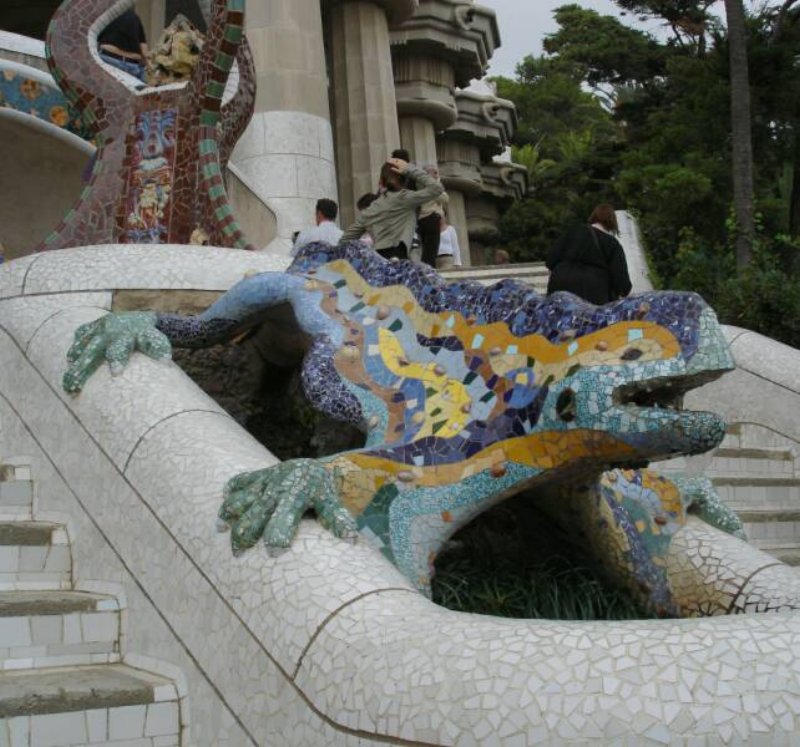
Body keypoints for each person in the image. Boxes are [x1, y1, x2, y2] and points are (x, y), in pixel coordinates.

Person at [340, 158, 444, 261]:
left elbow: (344, 241)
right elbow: (436, 188)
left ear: (381, 181)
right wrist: (410, 169)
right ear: (404, 179)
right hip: (398, 259)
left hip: (378, 261)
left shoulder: (371, 209)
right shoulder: (405, 198)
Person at [546, 204, 632, 305]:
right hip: (592, 291)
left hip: (559, 282)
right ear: (612, 222)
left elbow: (550, 260)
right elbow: (622, 284)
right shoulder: (613, 244)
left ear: (593, 216)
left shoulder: (573, 231)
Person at [97, 8, 148, 82]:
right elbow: (143, 46)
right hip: (131, 65)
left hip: (109, 59)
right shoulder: (133, 17)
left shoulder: (104, 15)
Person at [417, 165, 448, 267]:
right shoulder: (433, 186)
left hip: (421, 219)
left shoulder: (419, 185)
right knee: (432, 247)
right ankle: (429, 269)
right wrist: (437, 183)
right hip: (431, 217)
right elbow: (444, 199)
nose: (437, 175)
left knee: (426, 247)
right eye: (435, 172)